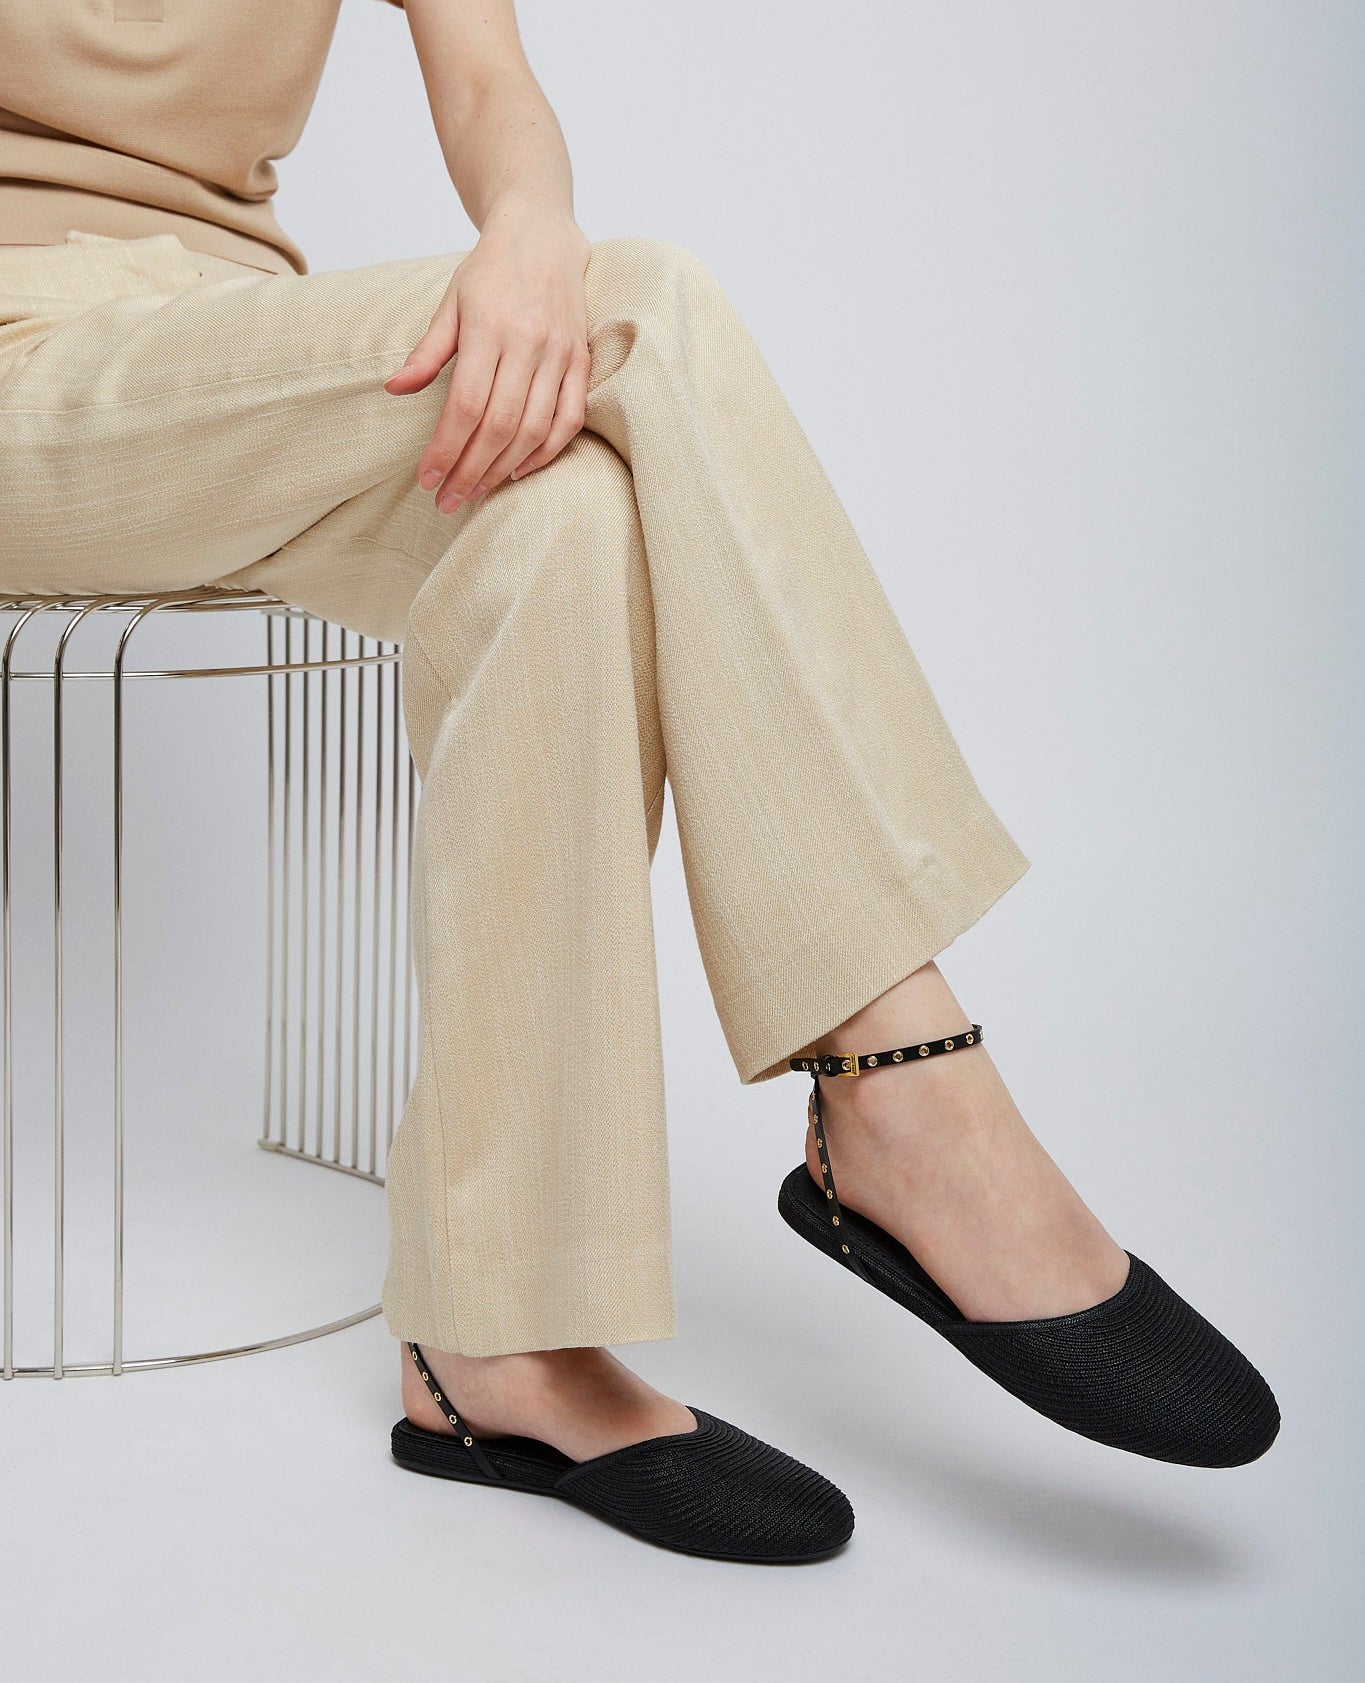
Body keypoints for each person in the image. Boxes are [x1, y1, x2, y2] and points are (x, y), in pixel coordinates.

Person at [0, 0, 1278, 1563]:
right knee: (644, 307)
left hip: (229, 359)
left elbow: (490, 84)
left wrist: (531, 226)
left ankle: (496, 1338)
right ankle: (905, 1079)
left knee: (566, 525)